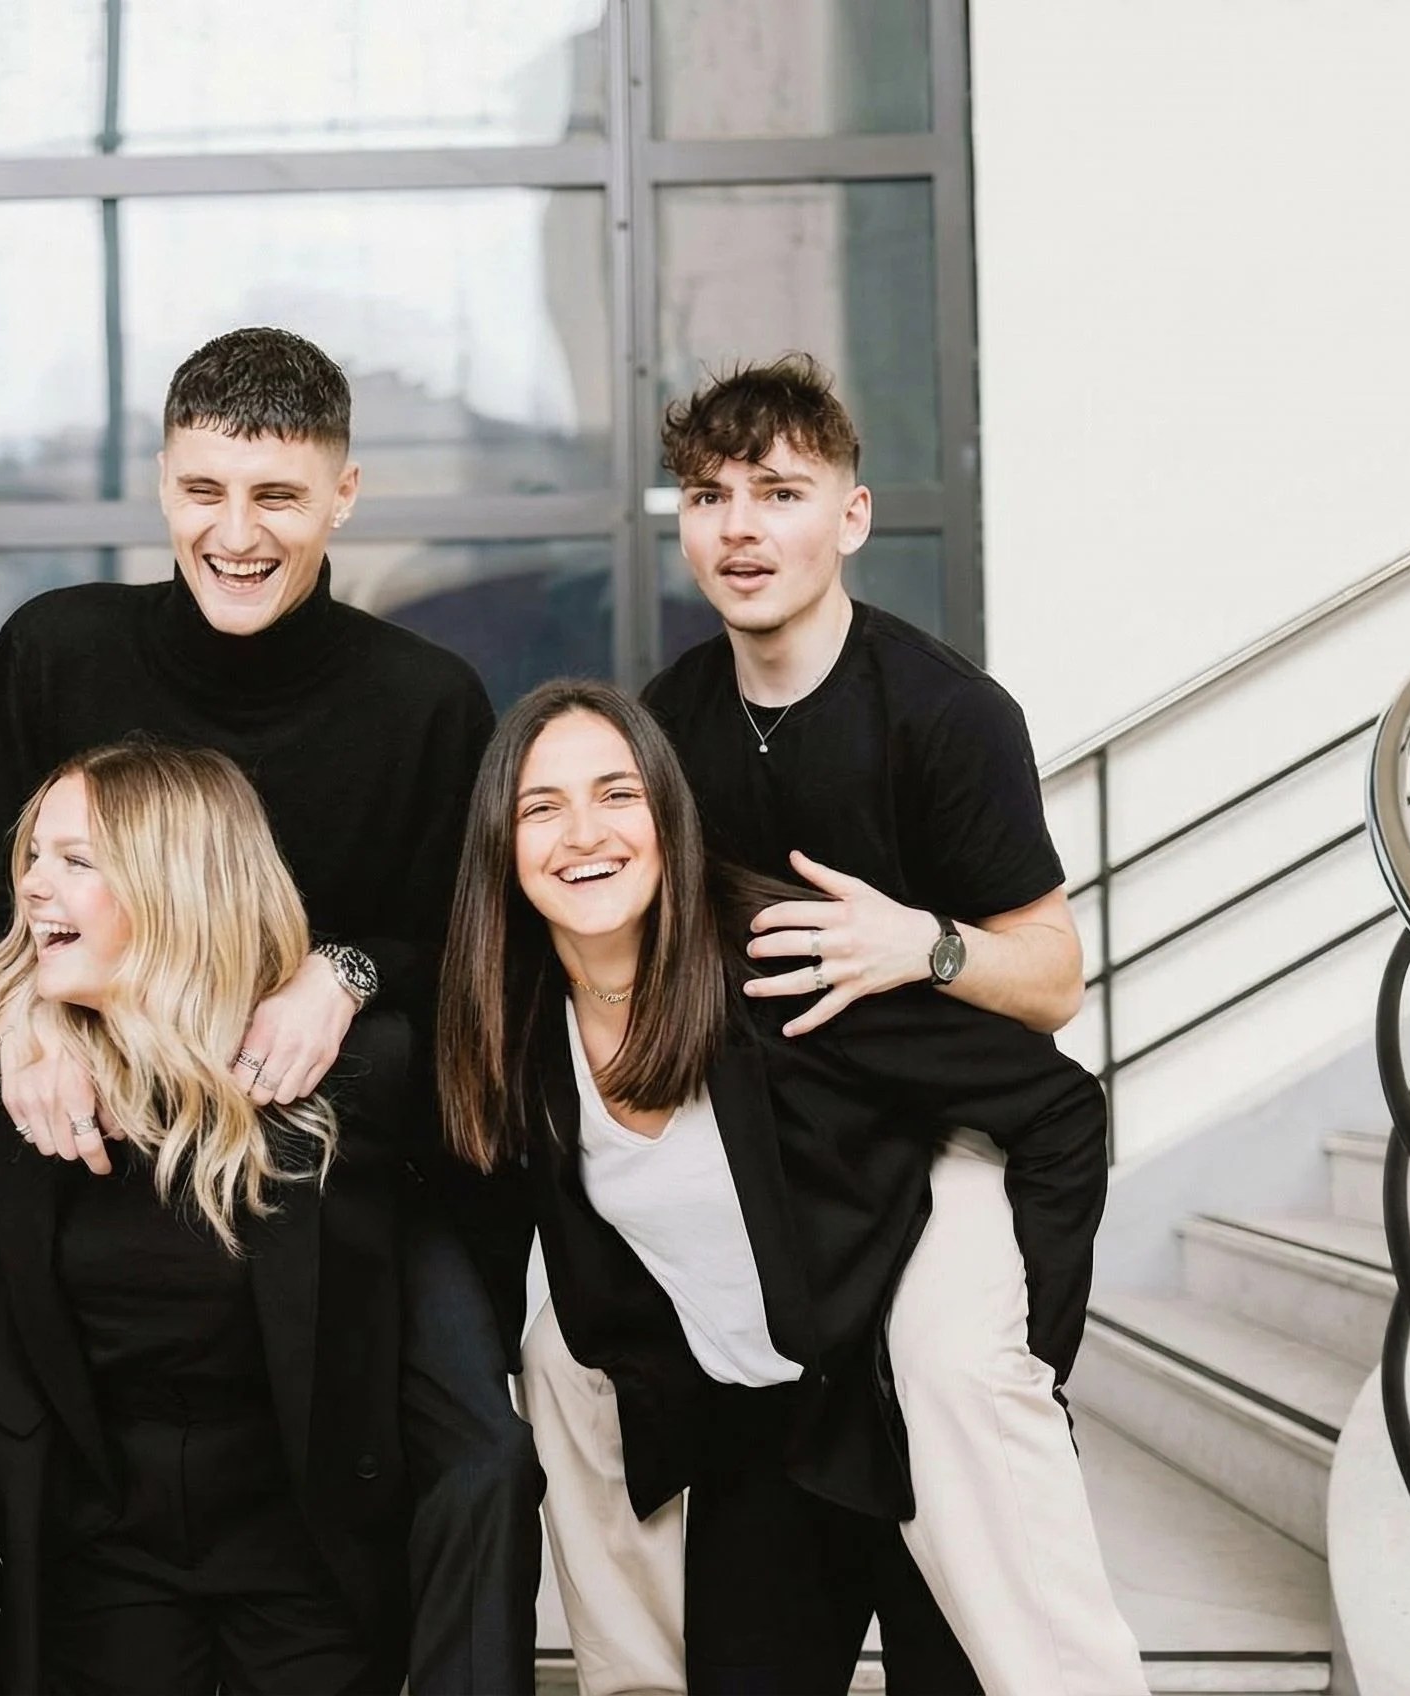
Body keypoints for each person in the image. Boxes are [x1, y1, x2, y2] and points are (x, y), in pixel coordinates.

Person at [0, 327, 538, 1694]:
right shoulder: (60, 650)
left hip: (332, 1153)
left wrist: (343, 973)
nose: (235, 535)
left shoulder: (423, 701)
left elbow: (470, 950)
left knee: (482, 1463)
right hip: (89, 1132)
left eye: (277, 497)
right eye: (203, 491)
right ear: (161, 482)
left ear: (342, 496)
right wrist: (27, 1022)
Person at [518, 356, 1142, 1695]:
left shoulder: (945, 713)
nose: (738, 528)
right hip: (772, 1143)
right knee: (564, 1347)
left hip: (938, 1123)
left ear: (850, 516)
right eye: (708, 496)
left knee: (953, 1372)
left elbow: (1053, 981)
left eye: (779, 493)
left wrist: (923, 945)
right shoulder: (668, 724)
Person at [438, 680, 1110, 1692]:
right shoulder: (519, 1025)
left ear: (668, 817)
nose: (584, 834)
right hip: (771, 1443)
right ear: (501, 843)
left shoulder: (775, 965)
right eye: (542, 806)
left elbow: (1056, 1108)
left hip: (909, 1421)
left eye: (616, 794)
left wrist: (1025, 1357)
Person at [0, 740, 413, 1692]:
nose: (33, 885)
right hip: (105, 1551)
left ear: (178, 888)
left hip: (303, 1551)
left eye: (76, 860)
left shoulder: (351, 1076)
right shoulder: (2, 1085)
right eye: (33, 856)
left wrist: (344, 971)